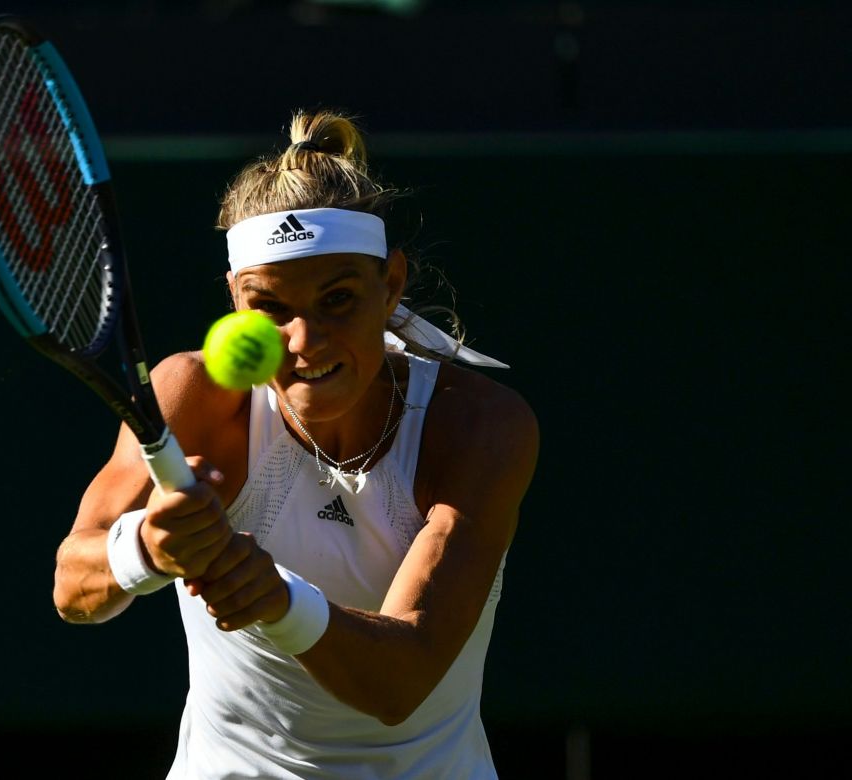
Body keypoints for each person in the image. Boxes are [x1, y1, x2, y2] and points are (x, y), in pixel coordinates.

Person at [52, 109, 539, 779]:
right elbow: (73, 586)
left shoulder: (478, 425)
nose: (303, 342)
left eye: (337, 299)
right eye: (270, 307)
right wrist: (145, 548)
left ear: (390, 283)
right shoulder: (191, 395)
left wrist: (277, 600)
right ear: (235, 299)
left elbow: (398, 682)